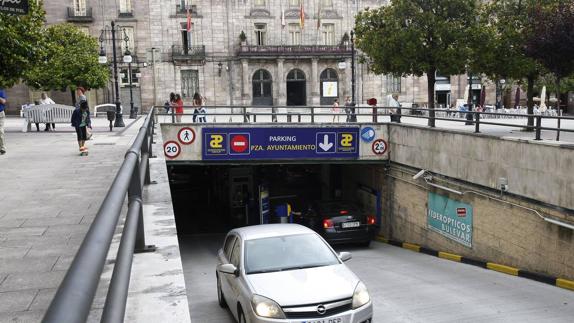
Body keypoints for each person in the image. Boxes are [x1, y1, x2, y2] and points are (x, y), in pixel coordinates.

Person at [0, 88, 6, 155]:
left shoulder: (1, 91)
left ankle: (2, 148)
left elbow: (4, 101)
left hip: (0, 114)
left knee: (0, 131)